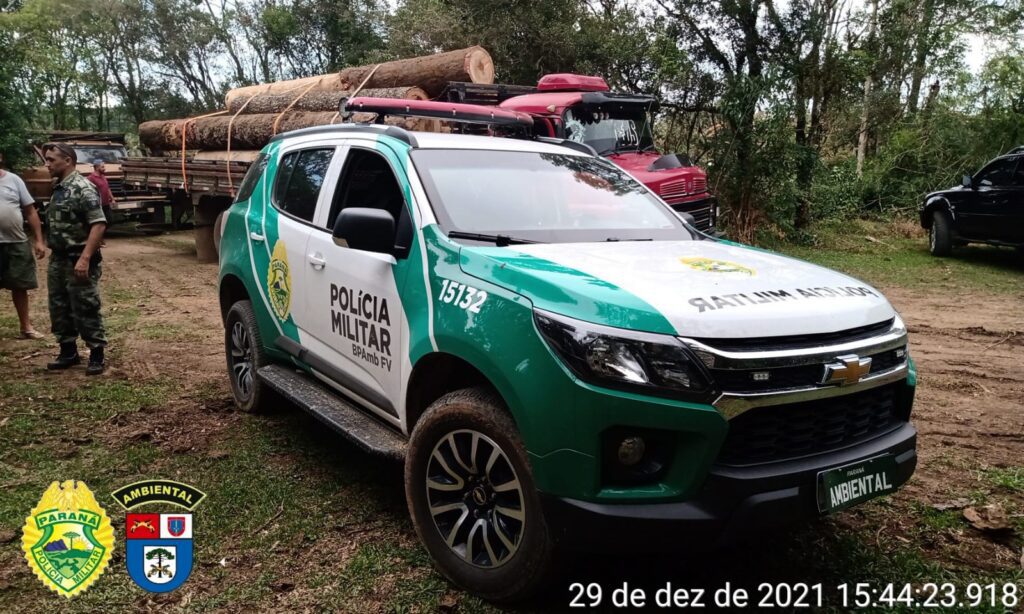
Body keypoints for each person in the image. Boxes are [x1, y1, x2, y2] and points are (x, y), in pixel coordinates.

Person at [41, 142, 108, 375]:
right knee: (59, 307)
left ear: (67, 160)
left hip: (77, 258)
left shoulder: (83, 187)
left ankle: (97, 353)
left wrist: (85, 258)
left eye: (51, 159)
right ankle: (67, 351)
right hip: (58, 258)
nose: (47, 163)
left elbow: (98, 224)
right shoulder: (58, 187)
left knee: (86, 305)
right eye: (46, 159)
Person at [0, 151, 47, 339]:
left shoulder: (14, 180)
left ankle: (26, 327)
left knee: (20, 286)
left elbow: (30, 211)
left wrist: (39, 240)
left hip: (16, 241)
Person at [85, 158, 115, 223]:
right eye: (102, 167)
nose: (104, 168)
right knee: (101, 222)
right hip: (98, 206)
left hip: (106, 204)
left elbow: (107, 188)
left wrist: (112, 199)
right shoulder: (91, 178)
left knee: (110, 220)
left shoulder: (103, 176)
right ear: (97, 168)